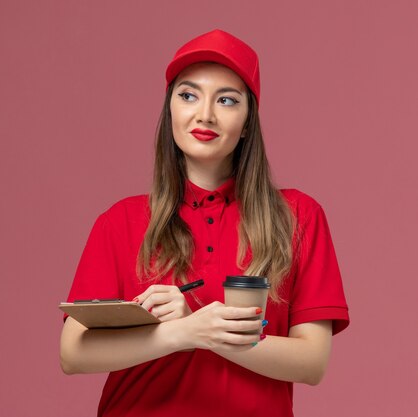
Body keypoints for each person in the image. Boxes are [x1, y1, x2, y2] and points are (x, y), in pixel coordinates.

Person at [59, 29, 349, 417]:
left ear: (248, 122)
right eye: (188, 95)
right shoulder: (120, 222)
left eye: (227, 100)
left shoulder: (298, 217)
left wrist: (207, 333)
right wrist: (182, 332)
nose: (205, 114)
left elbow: (312, 362)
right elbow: (72, 352)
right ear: (171, 111)